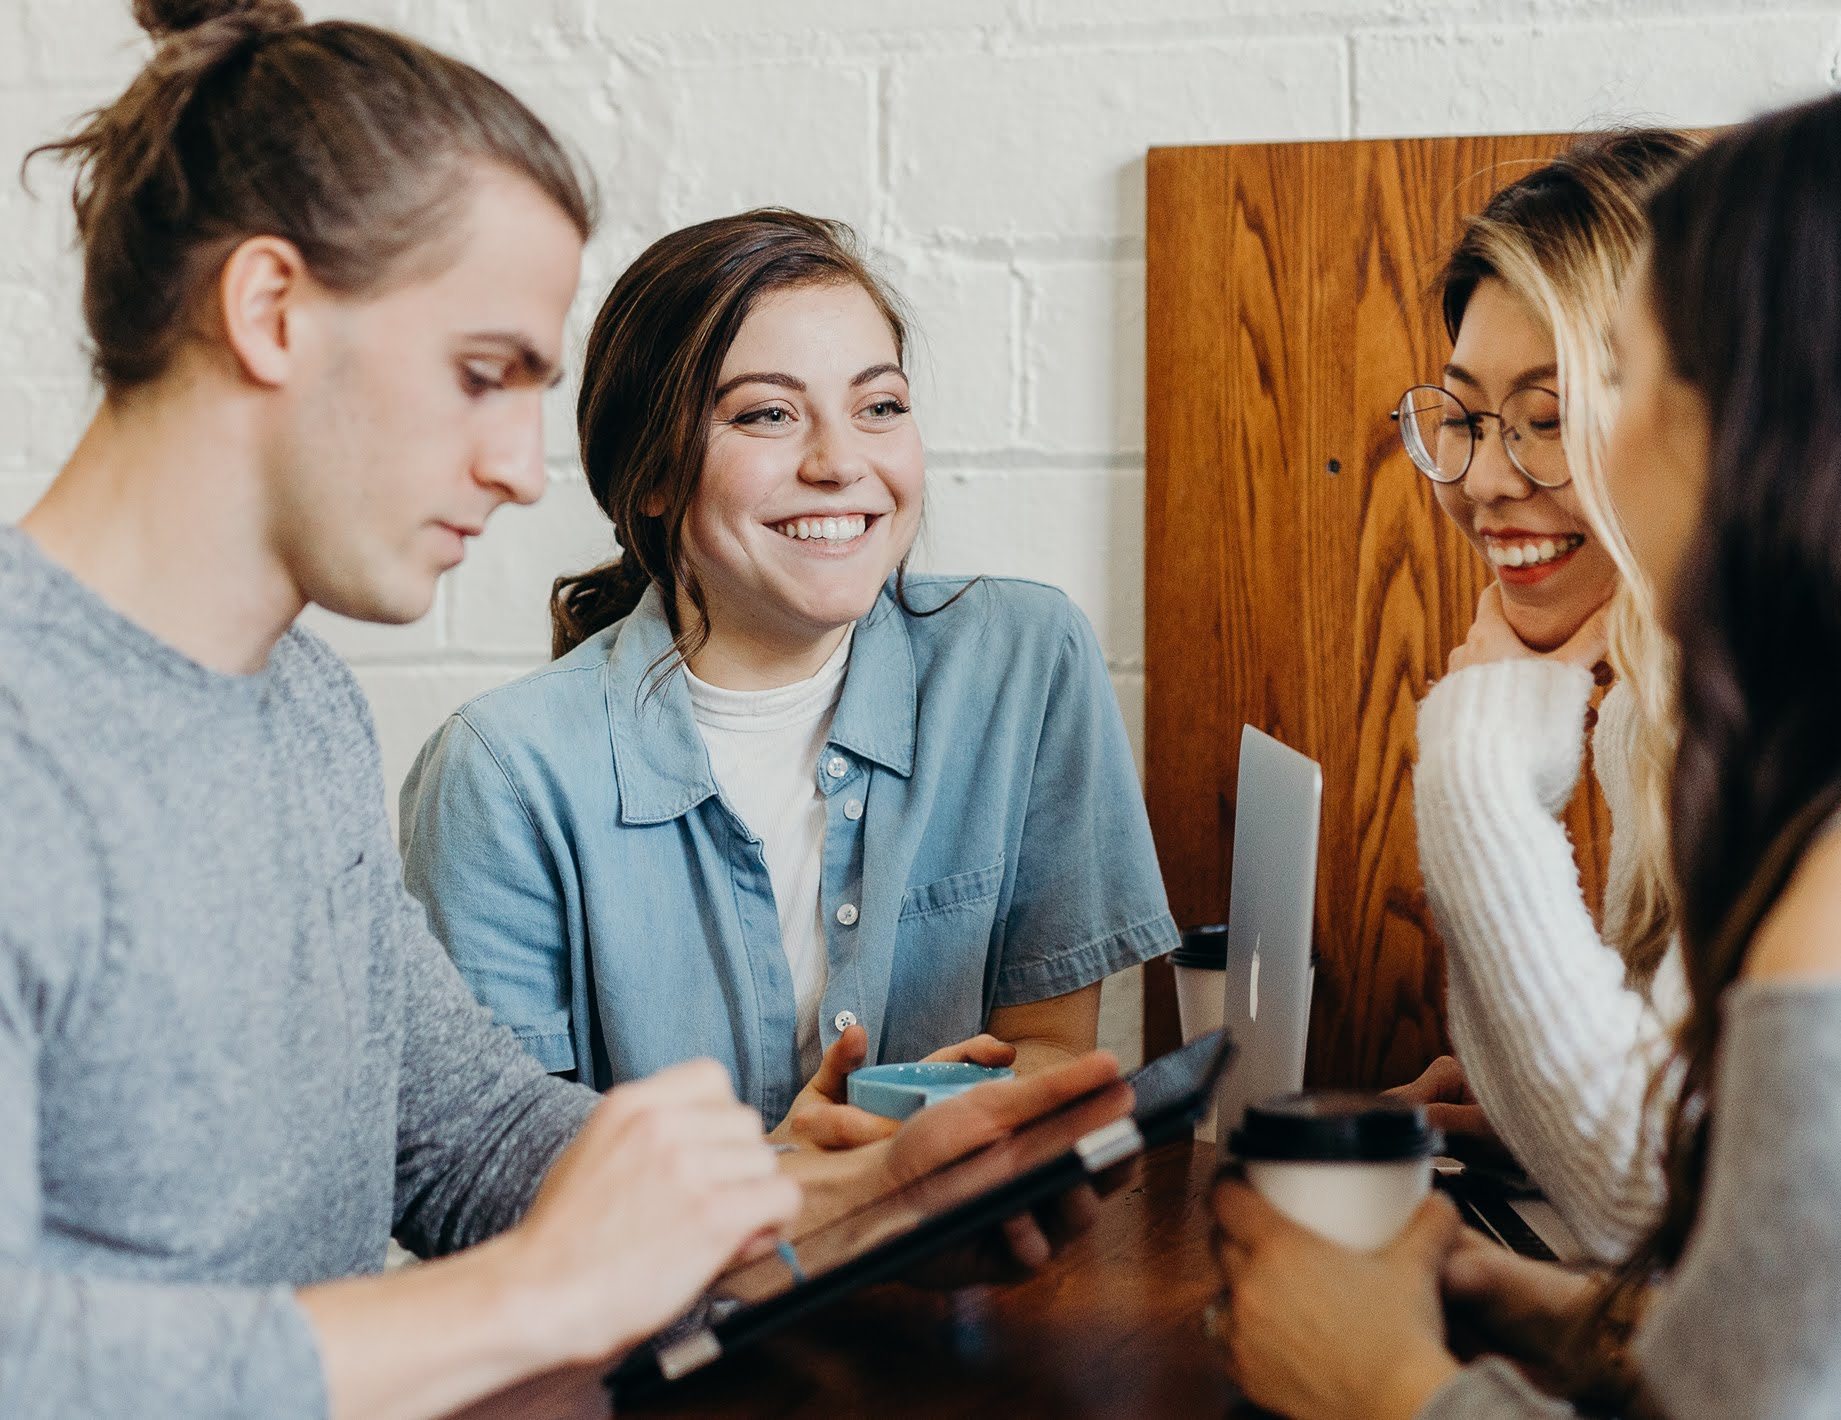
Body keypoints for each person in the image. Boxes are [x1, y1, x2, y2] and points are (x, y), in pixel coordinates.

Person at [0, 6, 1119, 1418]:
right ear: (271, 310)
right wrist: (534, 1299)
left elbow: (471, 1139)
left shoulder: (299, 712)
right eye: (483, 375)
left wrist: (824, 1203)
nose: (530, 470)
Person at [1210, 82, 1841, 1418]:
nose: (1504, 470)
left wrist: (1391, 1388)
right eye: (1478, 415)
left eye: (1622, 377)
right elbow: (1790, 1326)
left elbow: (1653, 1189)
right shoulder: (1819, 764)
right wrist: (1557, 1316)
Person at [399, 208, 1178, 1146]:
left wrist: (910, 1146)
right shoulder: (502, 774)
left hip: (958, 1272)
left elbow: (1050, 1050)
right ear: (648, 474)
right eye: (768, 414)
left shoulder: (1023, 662)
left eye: (879, 406)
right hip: (671, 1293)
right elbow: (501, 1178)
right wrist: (794, 1180)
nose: (841, 462)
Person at [1390, 131, 1698, 1261]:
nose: (1482, 478)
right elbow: (1671, 1163)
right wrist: (1528, 1103)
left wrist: (1475, 764)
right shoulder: (1653, 709)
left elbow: (1647, 1200)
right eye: (1465, 416)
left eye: (1550, 415)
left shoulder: (1792, 722)